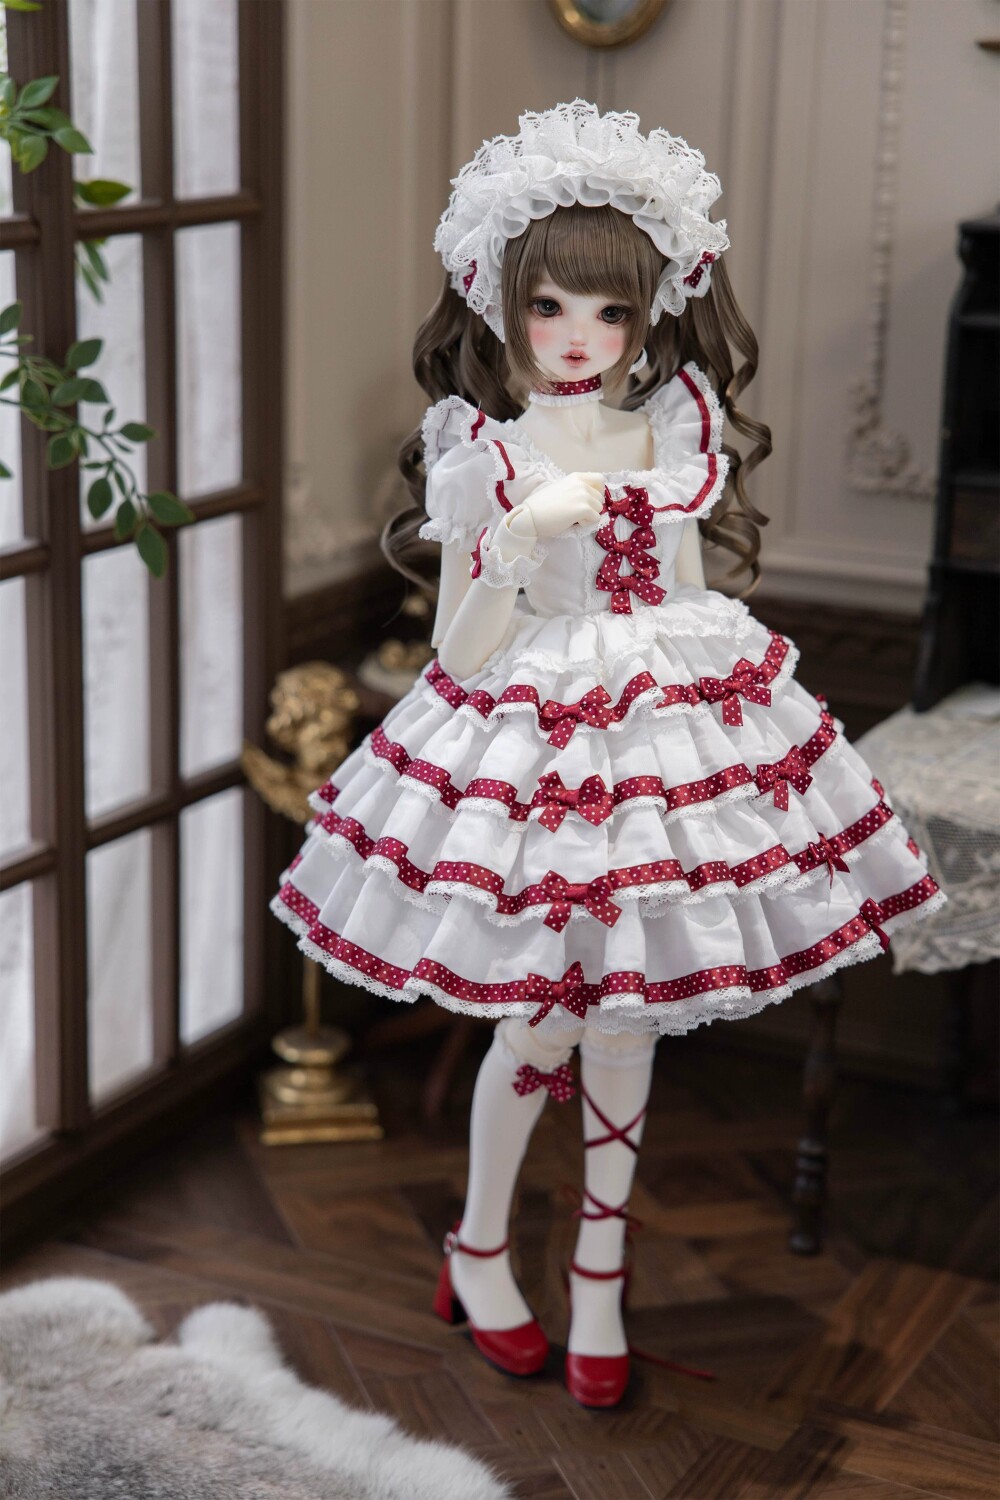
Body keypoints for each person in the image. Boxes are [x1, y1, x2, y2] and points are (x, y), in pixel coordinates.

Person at [271, 101, 945, 1408]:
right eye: (550, 307)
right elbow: (461, 652)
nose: (578, 336)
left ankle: (598, 1279)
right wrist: (517, 542)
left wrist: (716, 726)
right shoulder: (485, 452)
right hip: (531, 743)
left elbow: (687, 594)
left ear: (650, 316)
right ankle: (478, 1249)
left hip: (659, 742)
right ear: (502, 302)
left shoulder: (670, 433)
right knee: (538, 1020)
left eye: (609, 312)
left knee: (628, 1022)